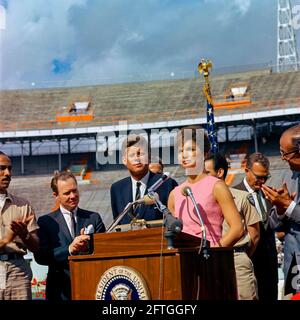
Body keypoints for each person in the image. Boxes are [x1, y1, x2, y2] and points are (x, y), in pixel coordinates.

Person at [34, 171, 106, 300]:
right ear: (55, 195)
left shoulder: (93, 218)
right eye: (67, 193)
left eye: (74, 190)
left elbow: (104, 251)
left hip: (91, 286)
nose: (73, 196)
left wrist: (87, 250)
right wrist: (69, 249)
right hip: (60, 291)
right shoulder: (45, 222)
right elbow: (41, 257)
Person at [168, 126, 243, 247]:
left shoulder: (217, 186)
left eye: (191, 149)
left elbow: (237, 228)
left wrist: (215, 251)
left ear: (205, 153)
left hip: (210, 259)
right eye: (180, 151)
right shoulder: (174, 194)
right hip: (183, 260)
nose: (184, 155)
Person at [204, 152, 260, 300]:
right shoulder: (199, 203)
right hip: (208, 261)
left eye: (206, 173)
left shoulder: (242, 198)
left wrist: (241, 255)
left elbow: (254, 235)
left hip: (237, 258)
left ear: (220, 172)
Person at [262, 124, 300, 294]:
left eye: (285, 154)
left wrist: (288, 206)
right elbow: (274, 225)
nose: (283, 158)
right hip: (293, 263)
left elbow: (291, 208)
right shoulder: (287, 176)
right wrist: (279, 209)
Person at [234, 152, 278, 300]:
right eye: (258, 177)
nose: (262, 181)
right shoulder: (233, 194)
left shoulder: (269, 194)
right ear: (246, 170)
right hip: (248, 266)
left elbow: (272, 226)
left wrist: (282, 209)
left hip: (270, 266)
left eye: (265, 177)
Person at [110, 134, 178, 225]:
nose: (137, 159)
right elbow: (117, 225)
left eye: (140, 154)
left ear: (149, 157)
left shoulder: (167, 184)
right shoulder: (117, 189)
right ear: (124, 160)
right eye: (132, 155)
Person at [0, 151, 39, 300]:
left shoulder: (23, 205)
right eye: (2, 168)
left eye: (10, 168)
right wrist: (5, 240)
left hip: (19, 273)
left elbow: (36, 247)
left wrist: (25, 235)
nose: (7, 173)